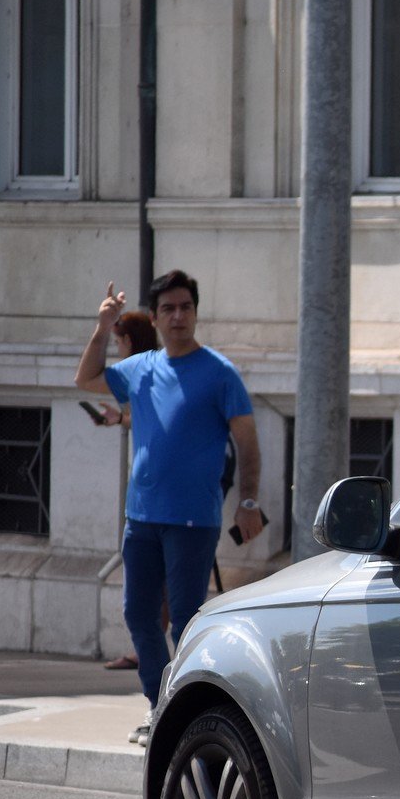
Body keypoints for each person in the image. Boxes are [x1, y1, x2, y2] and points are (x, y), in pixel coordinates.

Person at [74, 270, 263, 738]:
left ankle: (186, 712)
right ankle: (161, 707)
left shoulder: (220, 373)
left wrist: (248, 500)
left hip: (193, 519)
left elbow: (248, 443)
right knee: (139, 614)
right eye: (169, 309)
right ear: (156, 318)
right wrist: (103, 327)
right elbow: (87, 378)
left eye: (186, 307)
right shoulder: (141, 369)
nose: (178, 316)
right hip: (141, 517)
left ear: (195, 313)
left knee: (186, 622)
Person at [90, 310, 164, 672]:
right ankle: (150, 653)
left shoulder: (147, 369)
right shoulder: (136, 371)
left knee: (163, 585)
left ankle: (157, 655)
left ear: (130, 341)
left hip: (174, 494)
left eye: (118, 342)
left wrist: (122, 418)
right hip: (151, 494)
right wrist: (120, 419)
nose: (117, 348)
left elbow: (157, 417)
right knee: (146, 593)